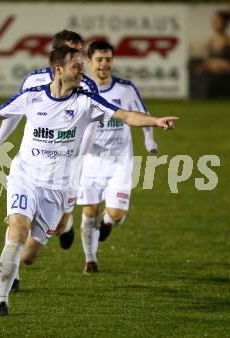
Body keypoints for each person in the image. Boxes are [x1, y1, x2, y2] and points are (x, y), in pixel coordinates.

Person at [0, 46, 178, 316]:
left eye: (82, 66)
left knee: (28, 257)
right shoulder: (32, 97)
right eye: (76, 66)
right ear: (58, 69)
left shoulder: (87, 101)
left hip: (58, 189)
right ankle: (0, 301)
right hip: (25, 178)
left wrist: (155, 121)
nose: (82, 71)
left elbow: (124, 115)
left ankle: (23, 255)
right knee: (16, 233)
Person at [0, 30, 97, 293]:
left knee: (56, 226)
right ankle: (12, 275)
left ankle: (66, 224)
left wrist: (82, 155)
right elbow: (11, 114)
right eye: (74, 53)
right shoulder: (33, 83)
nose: (80, 59)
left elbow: (92, 123)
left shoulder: (85, 86)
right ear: (58, 57)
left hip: (69, 166)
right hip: (33, 164)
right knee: (17, 219)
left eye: (81, 53)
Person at [76, 41, 156, 273]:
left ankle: (108, 222)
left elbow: (143, 115)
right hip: (90, 159)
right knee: (89, 209)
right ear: (89, 62)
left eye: (108, 59)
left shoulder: (125, 89)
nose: (104, 64)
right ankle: (90, 260)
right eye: (99, 60)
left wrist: (150, 141)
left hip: (120, 161)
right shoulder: (80, 90)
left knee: (117, 214)